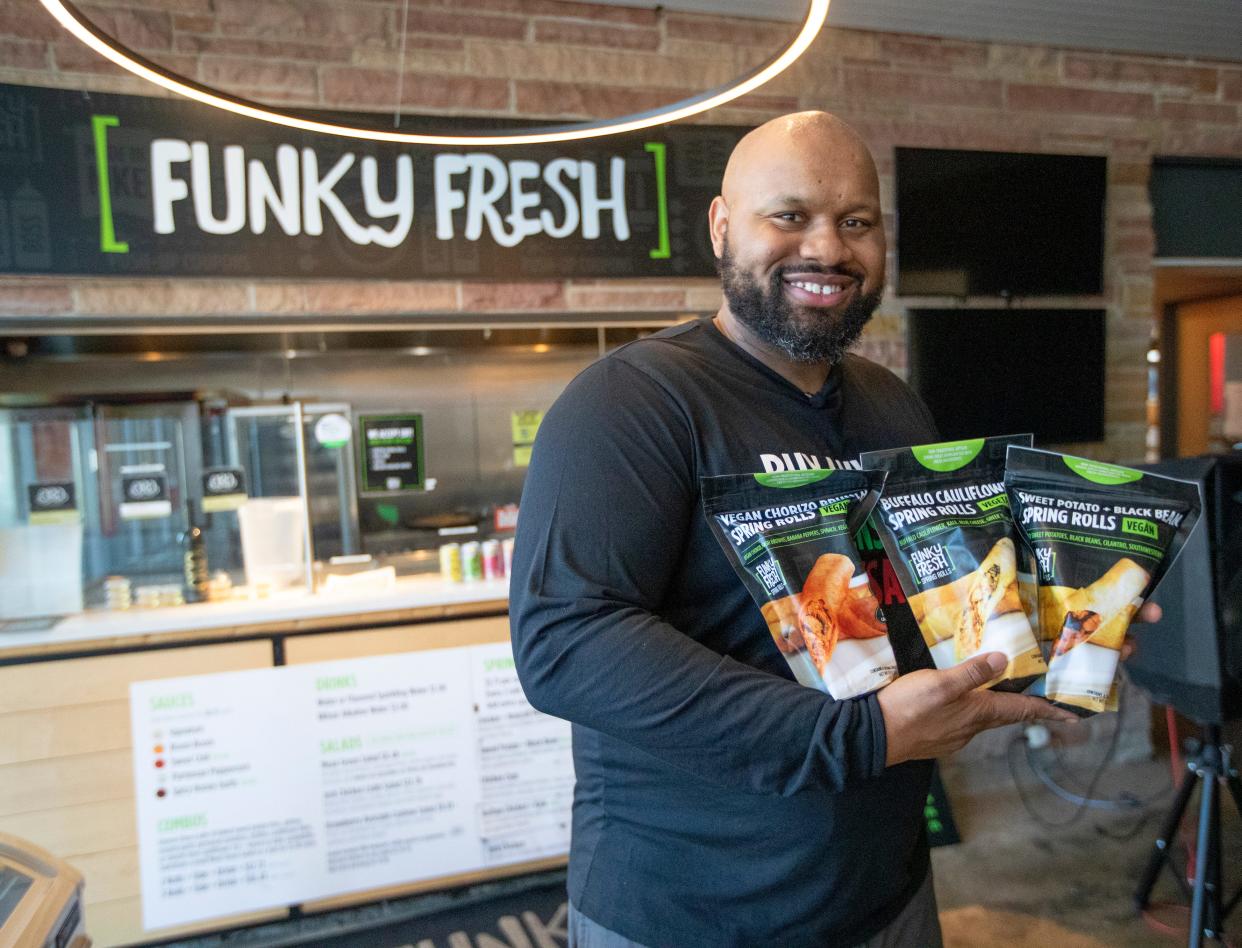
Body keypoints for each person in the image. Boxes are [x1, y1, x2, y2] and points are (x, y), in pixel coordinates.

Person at [509, 112, 1098, 947]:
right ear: (721, 226)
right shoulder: (631, 402)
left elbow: (927, 596)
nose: (827, 248)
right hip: (691, 916)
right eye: (789, 216)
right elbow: (566, 642)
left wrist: (1060, 630)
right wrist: (858, 736)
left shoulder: (893, 402)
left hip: (884, 895)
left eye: (856, 222)